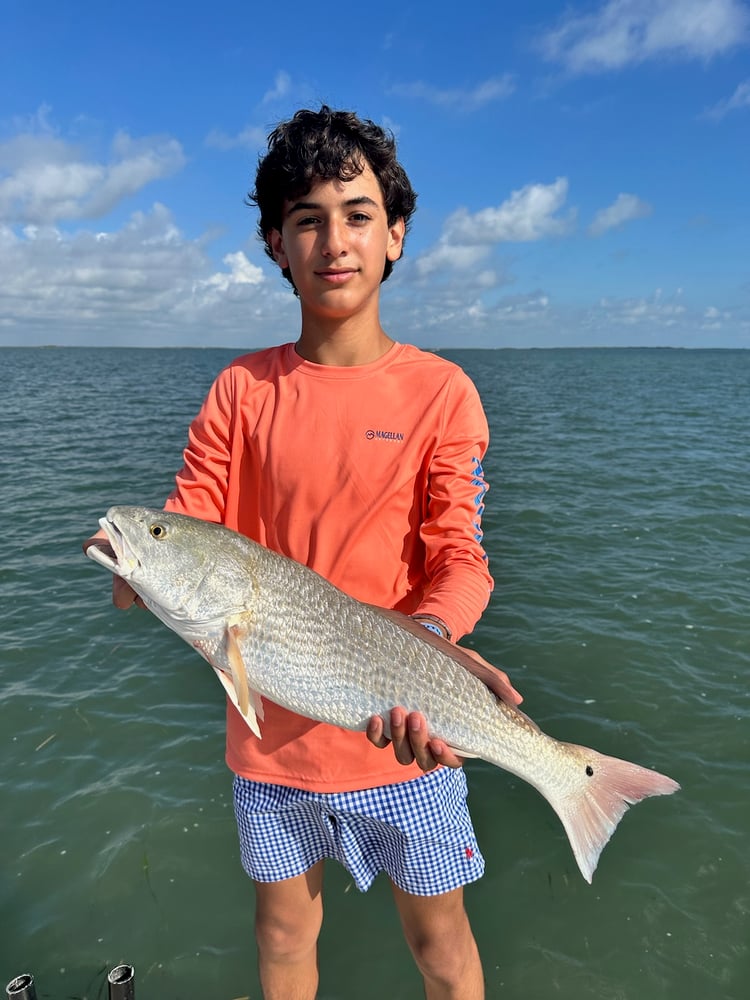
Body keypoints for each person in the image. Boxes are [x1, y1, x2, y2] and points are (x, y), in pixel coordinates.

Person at [85, 106, 522, 1000]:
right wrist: (130, 572)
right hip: (271, 746)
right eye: (307, 219)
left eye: (358, 215)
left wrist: (428, 645)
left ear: (396, 235)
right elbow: (189, 522)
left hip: (408, 735)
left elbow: (461, 556)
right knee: (283, 936)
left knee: (441, 944)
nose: (335, 240)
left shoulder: (444, 393)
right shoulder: (239, 390)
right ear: (275, 244)